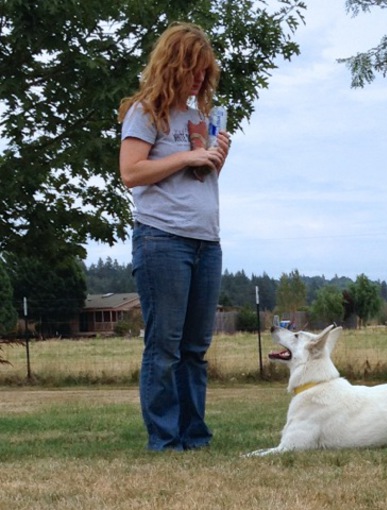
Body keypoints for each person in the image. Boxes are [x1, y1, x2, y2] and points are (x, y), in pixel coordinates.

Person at [118, 22, 231, 451]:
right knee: (164, 346)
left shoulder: (201, 118)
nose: (199, 78)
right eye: (192, 68)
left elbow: (196, 178)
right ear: (172, 64)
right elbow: (131, 172)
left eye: (205, 70)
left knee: (194, 349)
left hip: (206, 239)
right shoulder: (146, 112)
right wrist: (188, 155)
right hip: (163, 238)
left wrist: (215, 159)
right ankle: (164, 441)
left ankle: (194, 437)